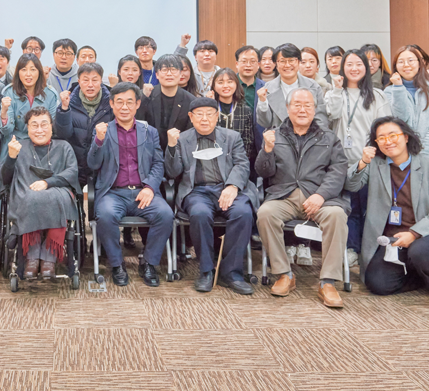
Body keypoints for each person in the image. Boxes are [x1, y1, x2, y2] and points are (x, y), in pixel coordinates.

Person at [348, 117, 429, 298]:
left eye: (393, 135)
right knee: (378, 284)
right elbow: (351, 185)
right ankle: (418, 275)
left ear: (406, 137)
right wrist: (362, 162)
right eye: (381, 138)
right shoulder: (375, 165)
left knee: (421, 251)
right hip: (394, 239)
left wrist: (415, 233)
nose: (388, 141)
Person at [255, 88, 349, 308]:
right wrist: (267, 150)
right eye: (297, 104)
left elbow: (338, 171)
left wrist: (320, 195)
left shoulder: (328, 137)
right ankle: (284, 273)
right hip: (284, 196)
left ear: (315, 110)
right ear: (287, 109)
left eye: (307, 105)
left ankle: (327, 281)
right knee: (265, 213)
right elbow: (263, 172)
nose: (302, 109)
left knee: (337, 215)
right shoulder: (274, 134)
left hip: (319, 198)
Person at [165, 97, 257, 294]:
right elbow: (173, 173)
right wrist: (171, 147)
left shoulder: (232, 137)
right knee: (199, 214)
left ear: (217, 117)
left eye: (209, 114)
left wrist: (232, 186)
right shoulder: (182, 139)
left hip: (227, 188)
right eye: (199, 114)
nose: (204, 119)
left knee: (243, 212)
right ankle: (206, 270)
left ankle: (231, 273)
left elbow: (242, 164)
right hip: (197, 191)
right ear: (191, 117)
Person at [87, 82, 171, 287]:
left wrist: (151, 187)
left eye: (129, 102)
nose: (124, 107)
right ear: (112, 104)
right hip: (113, 193)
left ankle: (149, 263)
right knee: (105, 215)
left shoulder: (149, 131)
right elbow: (92, 164)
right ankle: (117, 264)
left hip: (144, 192)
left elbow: (158, 163)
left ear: (137, 104)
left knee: (166, 214)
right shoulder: (102, 130)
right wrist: (98, 141)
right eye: (120, 102)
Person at [325, 49, 391, 266]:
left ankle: (370, 248)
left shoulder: (377, 95)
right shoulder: (335, 93)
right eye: (349, 64)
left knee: (368, 207)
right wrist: (335, 90)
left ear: (366, 68)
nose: (354, 69)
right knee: (348, 206)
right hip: (340, 162)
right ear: (343, 67)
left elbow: (385, 127)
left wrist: (372, 152)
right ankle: (351, 248)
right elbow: (332, 116)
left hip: (369, 160)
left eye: (359, 64)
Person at [1, 109, 79, 280]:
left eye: (44, 124)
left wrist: (48, 183)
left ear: (51, 127)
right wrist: (11, 158)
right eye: (34, 125)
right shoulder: (19, 146)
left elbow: (72, 172)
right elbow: (5, 179)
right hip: (25, 196)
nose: (39, 129)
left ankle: (49, 258)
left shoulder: (64, 147)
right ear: (27, 128)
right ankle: (32, 257)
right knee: (30, 198)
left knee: (53, 198)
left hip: (58, 192)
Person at [385, 45, 429, 162]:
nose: (406, 65)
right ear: (395, 66)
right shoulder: (390, 91)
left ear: (420, 63)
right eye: (401, 62)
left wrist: (425, 155)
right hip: (402, 158)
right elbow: (400, 120)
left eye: (410, 61)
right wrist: (398, 88)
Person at [54, 62, 112, 187]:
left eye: (95, 80)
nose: (90, 85)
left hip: (103, 167)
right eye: (85, 80)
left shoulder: (111, 104)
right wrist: (64, 109)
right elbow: (63, 134)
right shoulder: (68, 102)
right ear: (79, 81)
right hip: (74, 165)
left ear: (101, 81)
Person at [0, 54, 59, 165]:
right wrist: (4, 113)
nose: (28, 74)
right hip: (16, 144)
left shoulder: (50, 94)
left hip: (41, 146)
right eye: (24, 70)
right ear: (18, 73)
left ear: (39, 72)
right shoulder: (9, 92)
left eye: (33, 69)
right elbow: (6, 130)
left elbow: (52, 128)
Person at [256, 43, 328, 131]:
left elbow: (321, 118)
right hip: (278, 140)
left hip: (308, 139)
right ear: (276, 64)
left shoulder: (313, 86)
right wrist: (262, 102)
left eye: (291, 60)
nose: (287, 65)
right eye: (282, 61)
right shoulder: (268, 88)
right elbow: (264, 123)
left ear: (298, 62)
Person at [145, 54, 195, 151]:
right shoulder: (147, 97)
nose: (169, 74)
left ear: (180, 74)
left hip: (179, 153)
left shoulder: (191, 101)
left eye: (173, 70)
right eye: (164, 70)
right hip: (149, 153)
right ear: (157, 75)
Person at [208, 68, 256, 163]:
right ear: (213, 86)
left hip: (238, 162)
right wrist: (210, 105)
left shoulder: (245, 110)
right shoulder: (209, 109)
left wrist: (238, 163)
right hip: (212, 162)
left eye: (230, 82)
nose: (225, 86)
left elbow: (247, 143)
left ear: (236, 84)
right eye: (220, 82)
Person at [234, 45, 265, 159]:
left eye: (252, 62)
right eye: (244, 61)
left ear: (258, 65)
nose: (248, 65)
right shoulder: (228, 86)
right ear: (237, 64)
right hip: (236, 140)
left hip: (259, 142)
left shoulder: (266, 88)